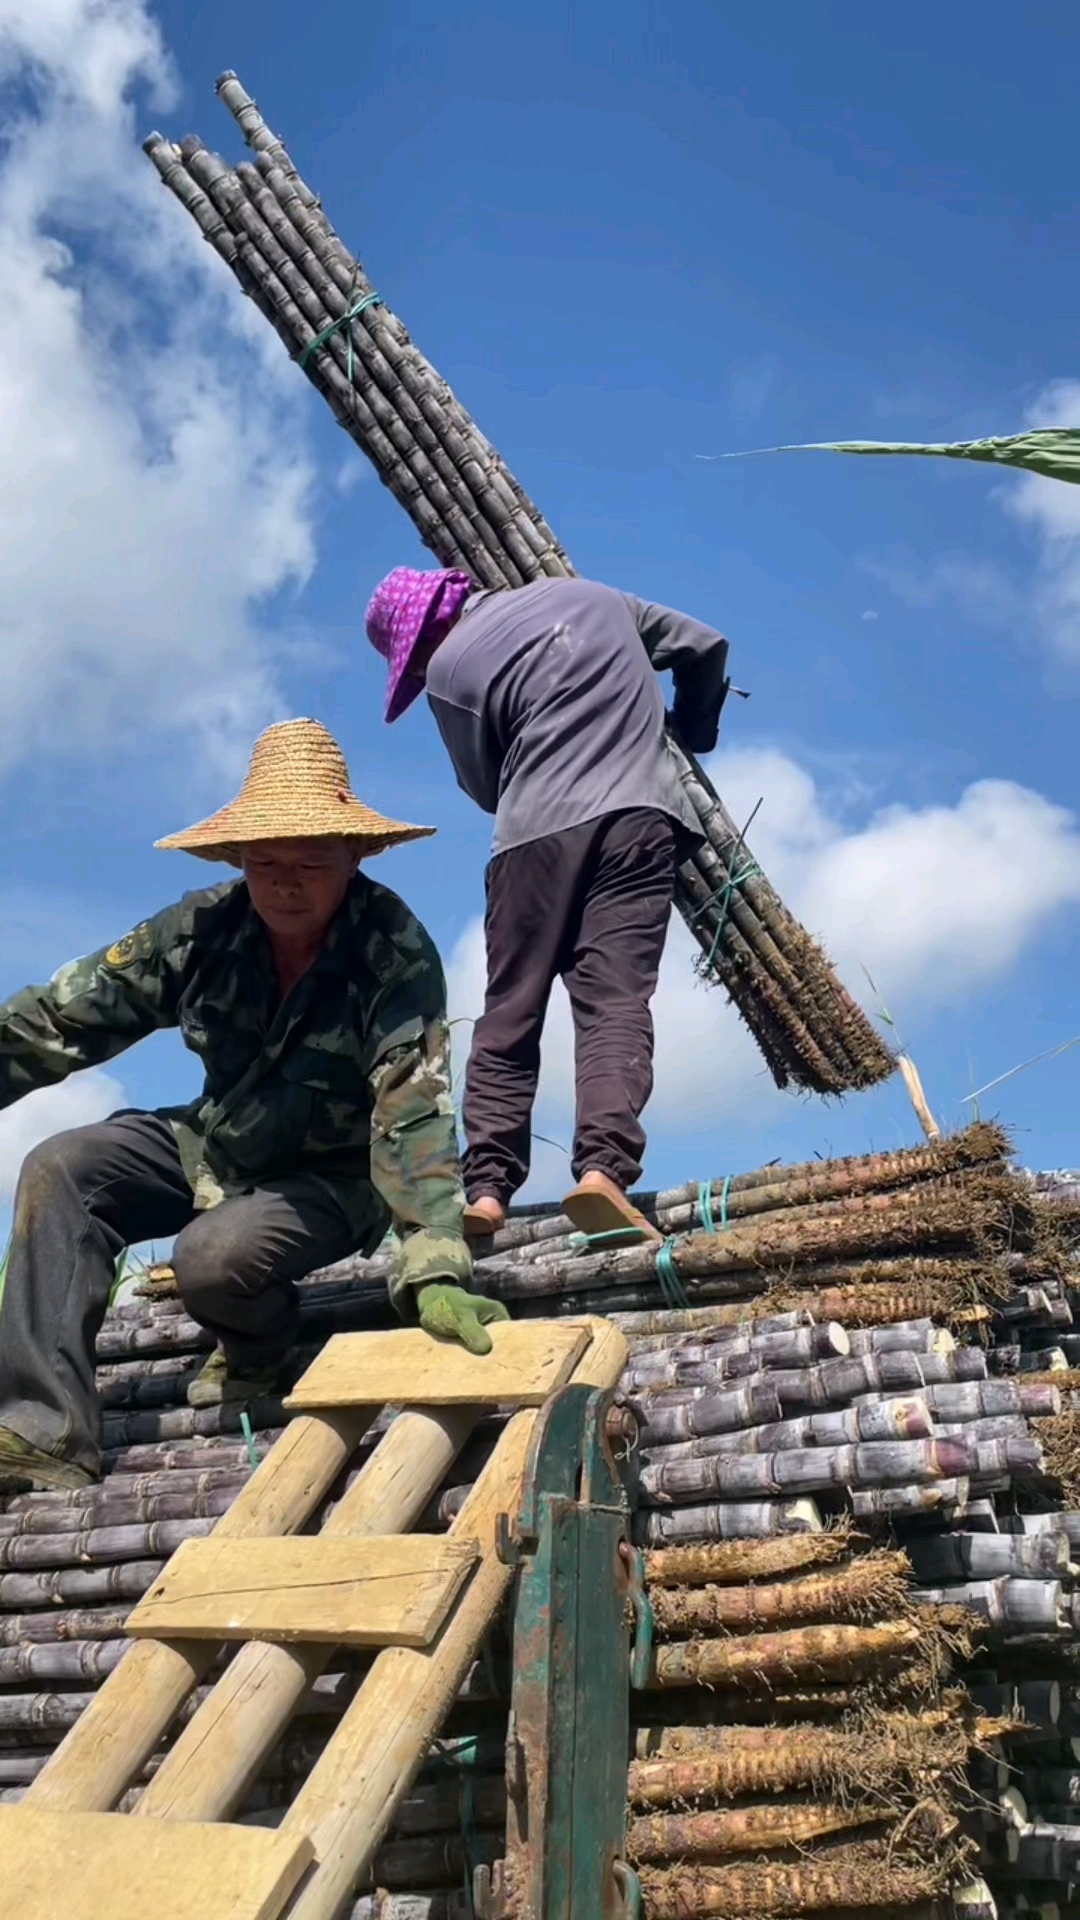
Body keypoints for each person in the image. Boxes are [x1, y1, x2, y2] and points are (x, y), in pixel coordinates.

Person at [0, 718, 506, 1493]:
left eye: (311, 861)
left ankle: (261, 1341)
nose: (286, 881)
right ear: (238, 859)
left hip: (335, 1178)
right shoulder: (200, 929)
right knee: (61, 1167)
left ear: (355, 856)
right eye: (265, 862)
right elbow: (63, 1017)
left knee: (211, 1258)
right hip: (219, 1143)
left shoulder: (392, 952)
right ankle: (43, 1434)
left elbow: (413, 1116)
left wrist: (433, 1266)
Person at [365, 568, 732, 1244]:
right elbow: (705, 646)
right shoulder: (599, 597)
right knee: (614, 1001)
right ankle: (602, 1175)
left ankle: (487, 1190)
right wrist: (691, 730)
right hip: (637, 816)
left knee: (513, 1008)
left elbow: (485, 786)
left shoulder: (450, 670)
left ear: (423, 639)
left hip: (530, 840)